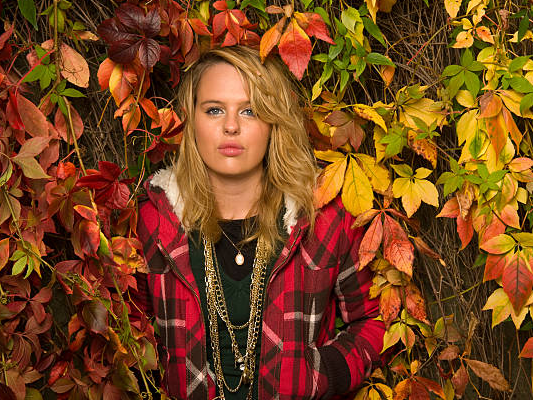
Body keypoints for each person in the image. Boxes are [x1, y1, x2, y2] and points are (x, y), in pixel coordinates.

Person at [132, 45, 385, 400]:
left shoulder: (322, 217)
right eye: (214, 110)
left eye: (249, 111)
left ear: (273, 121)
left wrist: (323, 374)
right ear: (191, 120)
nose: (231, 126)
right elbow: (129, 330)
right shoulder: (155, 220)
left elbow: (375, 317)